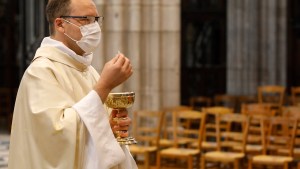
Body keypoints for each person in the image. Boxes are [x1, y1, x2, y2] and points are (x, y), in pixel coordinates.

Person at [8, 0, 138, 168]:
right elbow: (56, 137)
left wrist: (110, 127)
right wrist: (104, 86)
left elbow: (89, 131)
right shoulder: (41, 71)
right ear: (60, 24)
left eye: (95, 19)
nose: (93, 27)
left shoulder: (87, 70)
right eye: (85, 19)